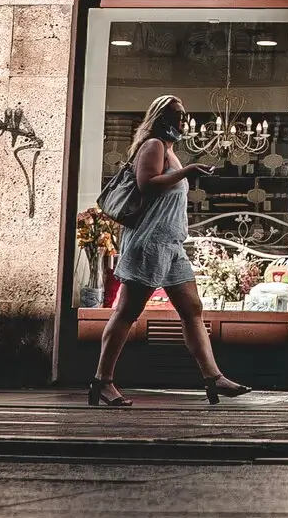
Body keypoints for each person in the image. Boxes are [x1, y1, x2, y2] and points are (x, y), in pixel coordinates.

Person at [87, 95, 249, 407]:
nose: (182, 120)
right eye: (176, 115)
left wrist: (185, 170)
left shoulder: (170, 150)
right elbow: (147, 183)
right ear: (160, 118)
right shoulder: (153, 145)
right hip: (149, 244)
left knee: (192, 309)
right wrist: (187, 171)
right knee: (127, 312)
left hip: (171, 245)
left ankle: (213, 378)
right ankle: (102, 381)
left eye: (183, 115)